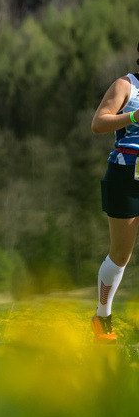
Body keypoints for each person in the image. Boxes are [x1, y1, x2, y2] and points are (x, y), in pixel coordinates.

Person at [89, 41, 139, 343]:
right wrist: (134, 117)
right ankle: (102, 316)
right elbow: (98, 124)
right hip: (125, 174)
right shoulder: (126, 85)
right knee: (121, 254)